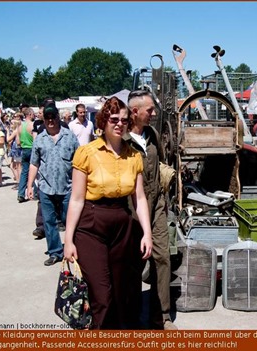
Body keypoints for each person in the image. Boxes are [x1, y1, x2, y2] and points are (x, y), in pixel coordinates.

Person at [64, 96, 152, 329]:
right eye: (114, 119)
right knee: (101, 294)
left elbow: (139, 198)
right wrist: (68, 240)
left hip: (122, 225)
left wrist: (147, 233)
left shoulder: (134, 156)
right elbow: (76, 199)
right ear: (103, 121)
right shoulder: (87, 153)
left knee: (122, 291)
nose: (119, 124)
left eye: (124, 120)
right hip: (91, 225)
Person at [127, 90, 177, 330]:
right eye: (150, 110)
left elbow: (158, 163)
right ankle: (133, 314)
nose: (154, 114)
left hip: (156, 205)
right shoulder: (120, 138)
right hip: (130, 208)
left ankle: (162, 316)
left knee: (162, 257)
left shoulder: (152, 134)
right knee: (132, 263)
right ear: (135, 112)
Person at [27, 99, 80, 266]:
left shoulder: (69, 137)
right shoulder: (40, 139)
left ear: (58, 117)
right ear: (44, 119)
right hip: (45, 188)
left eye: (53, 117)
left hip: (68, 187)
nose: (50, 120)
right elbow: (34, 163)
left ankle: (75, 247)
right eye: (47, 118)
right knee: (49, 222)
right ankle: (55, 252)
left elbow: (79, 163)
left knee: (69, 219)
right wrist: (29, 186)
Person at [16, 107, 36, 202]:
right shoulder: (32, 125)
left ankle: (21, 193)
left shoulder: (20, 126)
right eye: (33, 114)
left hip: (24, 150)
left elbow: (18, 142)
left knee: (24, 172)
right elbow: (36, 140)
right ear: (30, 114)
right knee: (35, 171)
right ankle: (34, 192)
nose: (34, 115)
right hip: (32, 149)